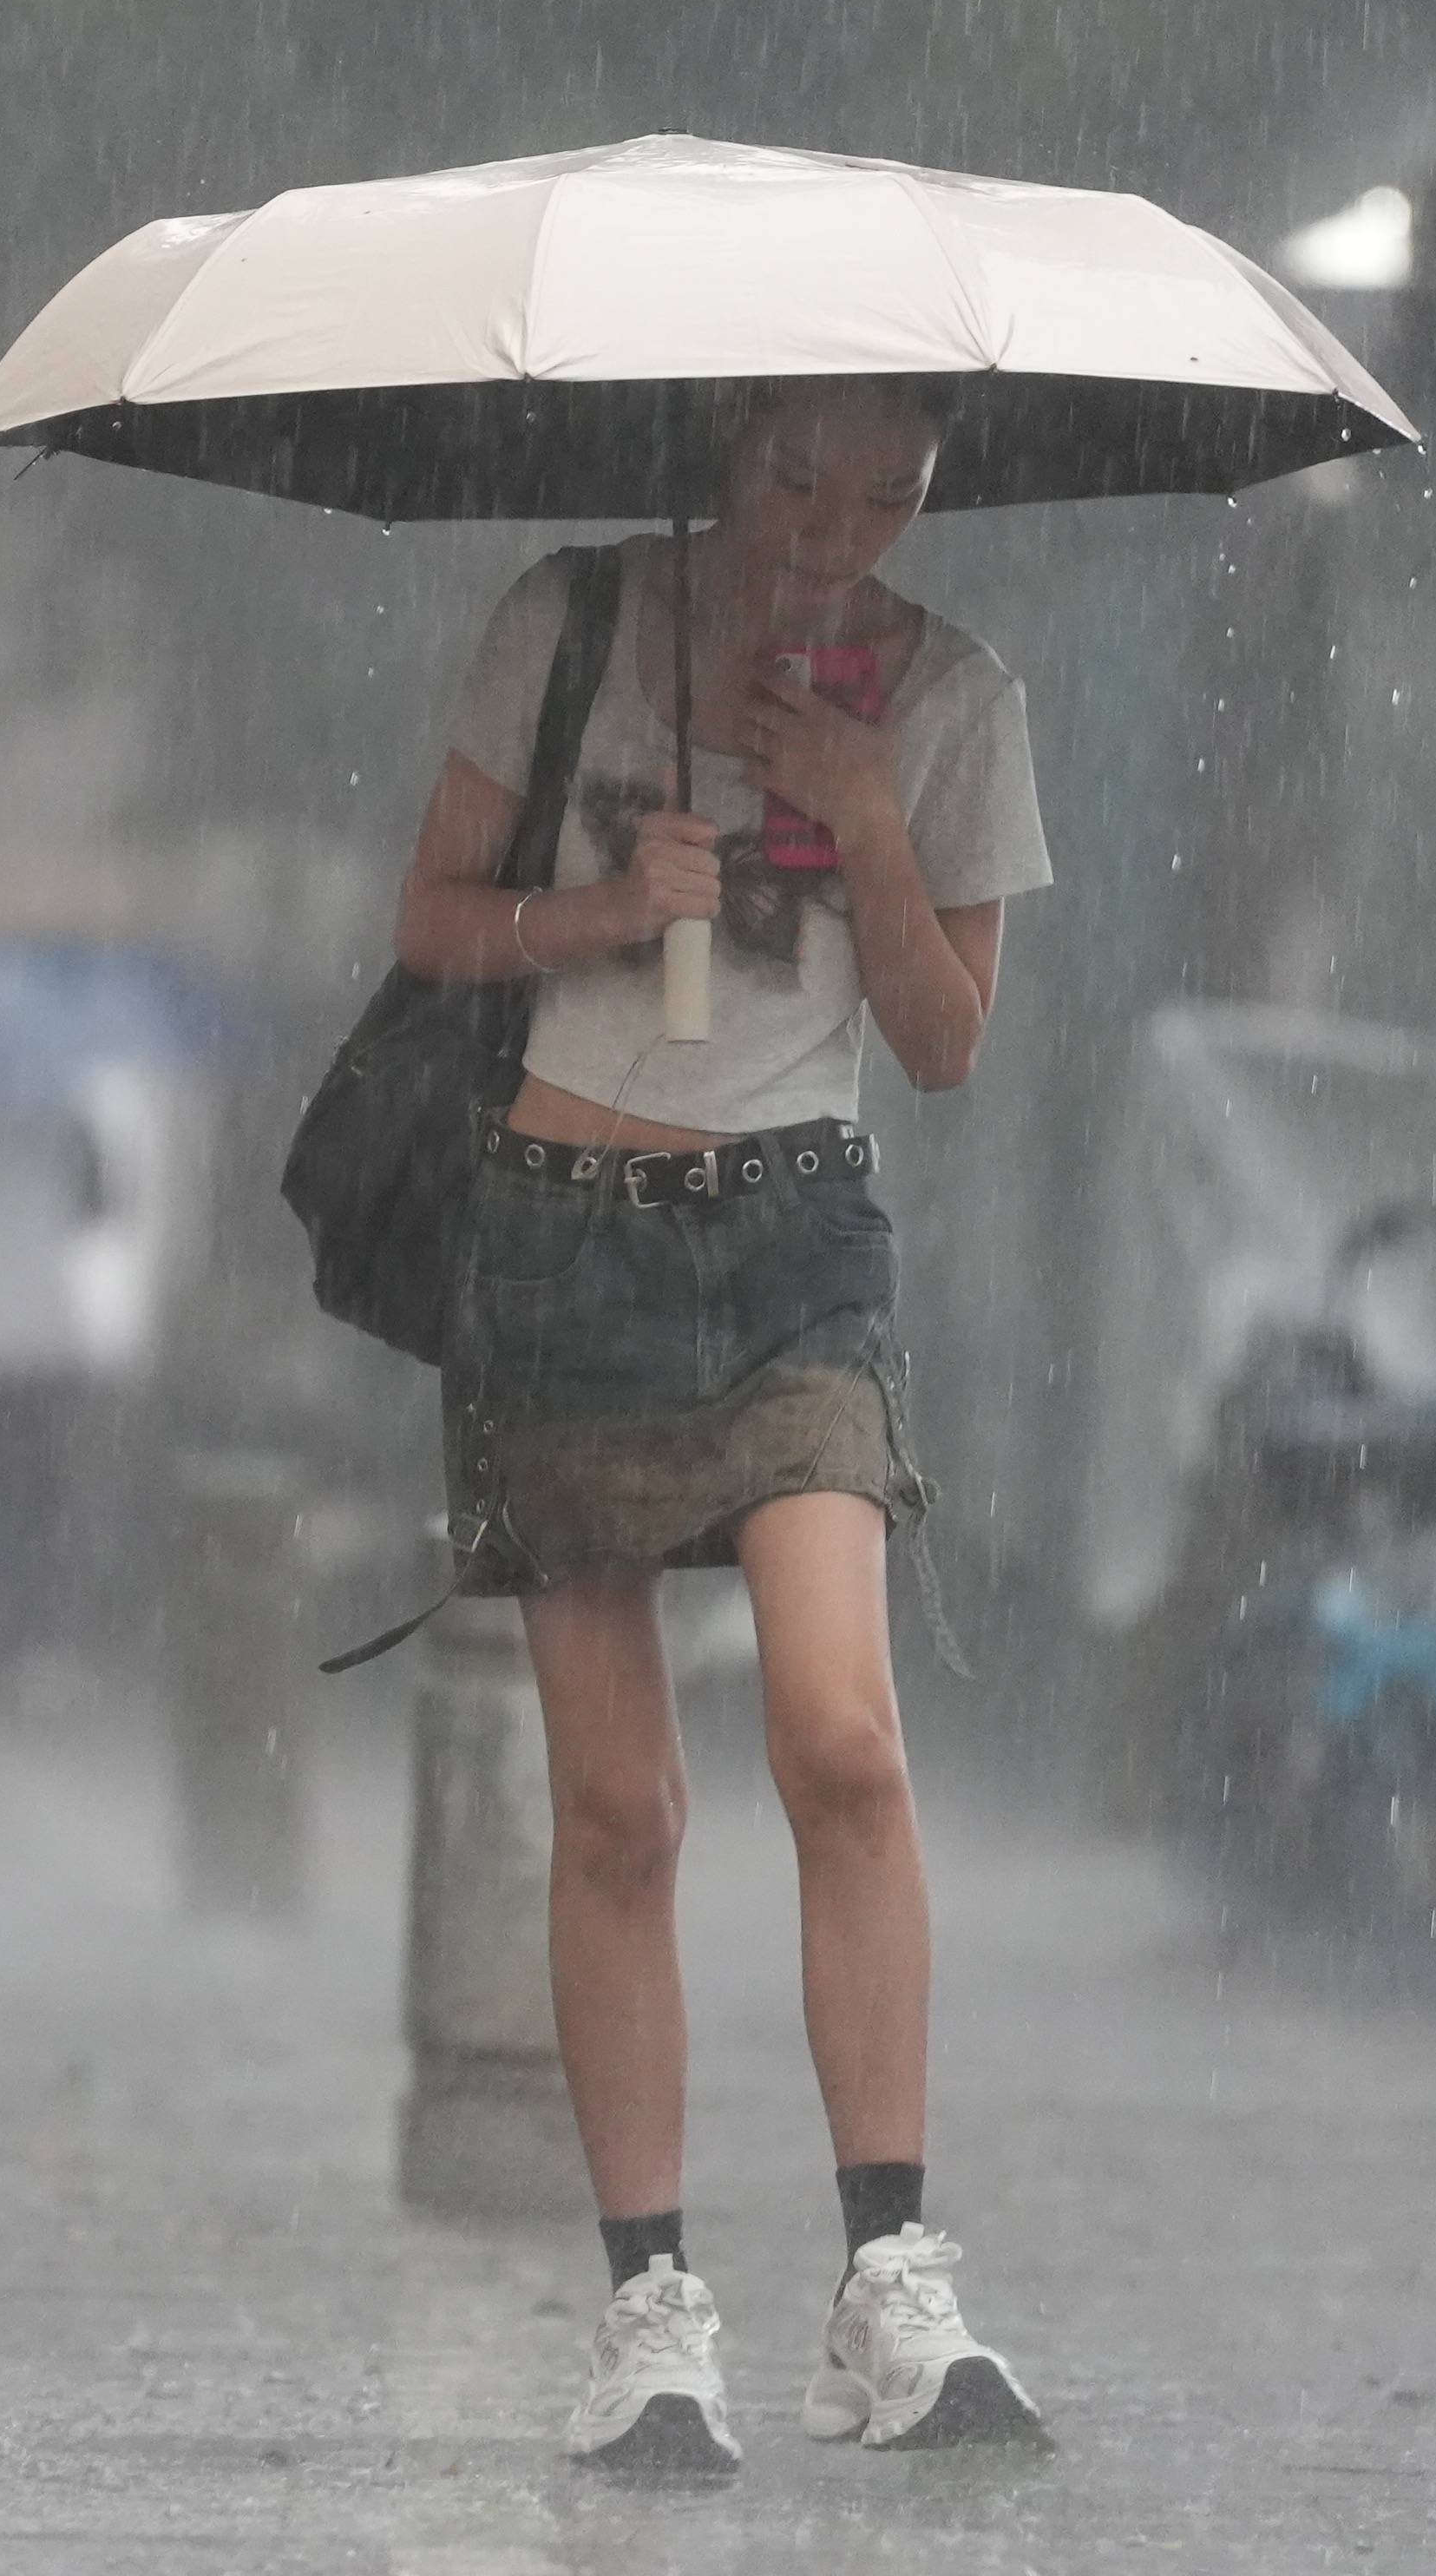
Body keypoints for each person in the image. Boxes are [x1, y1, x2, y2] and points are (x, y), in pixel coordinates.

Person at [393, 377, 1054, 2470]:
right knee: (620, 1812)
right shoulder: (567, 625)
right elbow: (428, 925)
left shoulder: (954, 695)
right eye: (793, 476)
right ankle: (649, 2311)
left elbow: (940, 1046)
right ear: (721, 444)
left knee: (838, 1737)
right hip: (557, 1229)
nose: (832, 527)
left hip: (788, 1238)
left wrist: (861, 805)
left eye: (885, 493)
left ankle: (889, 2282)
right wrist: (607, 908)